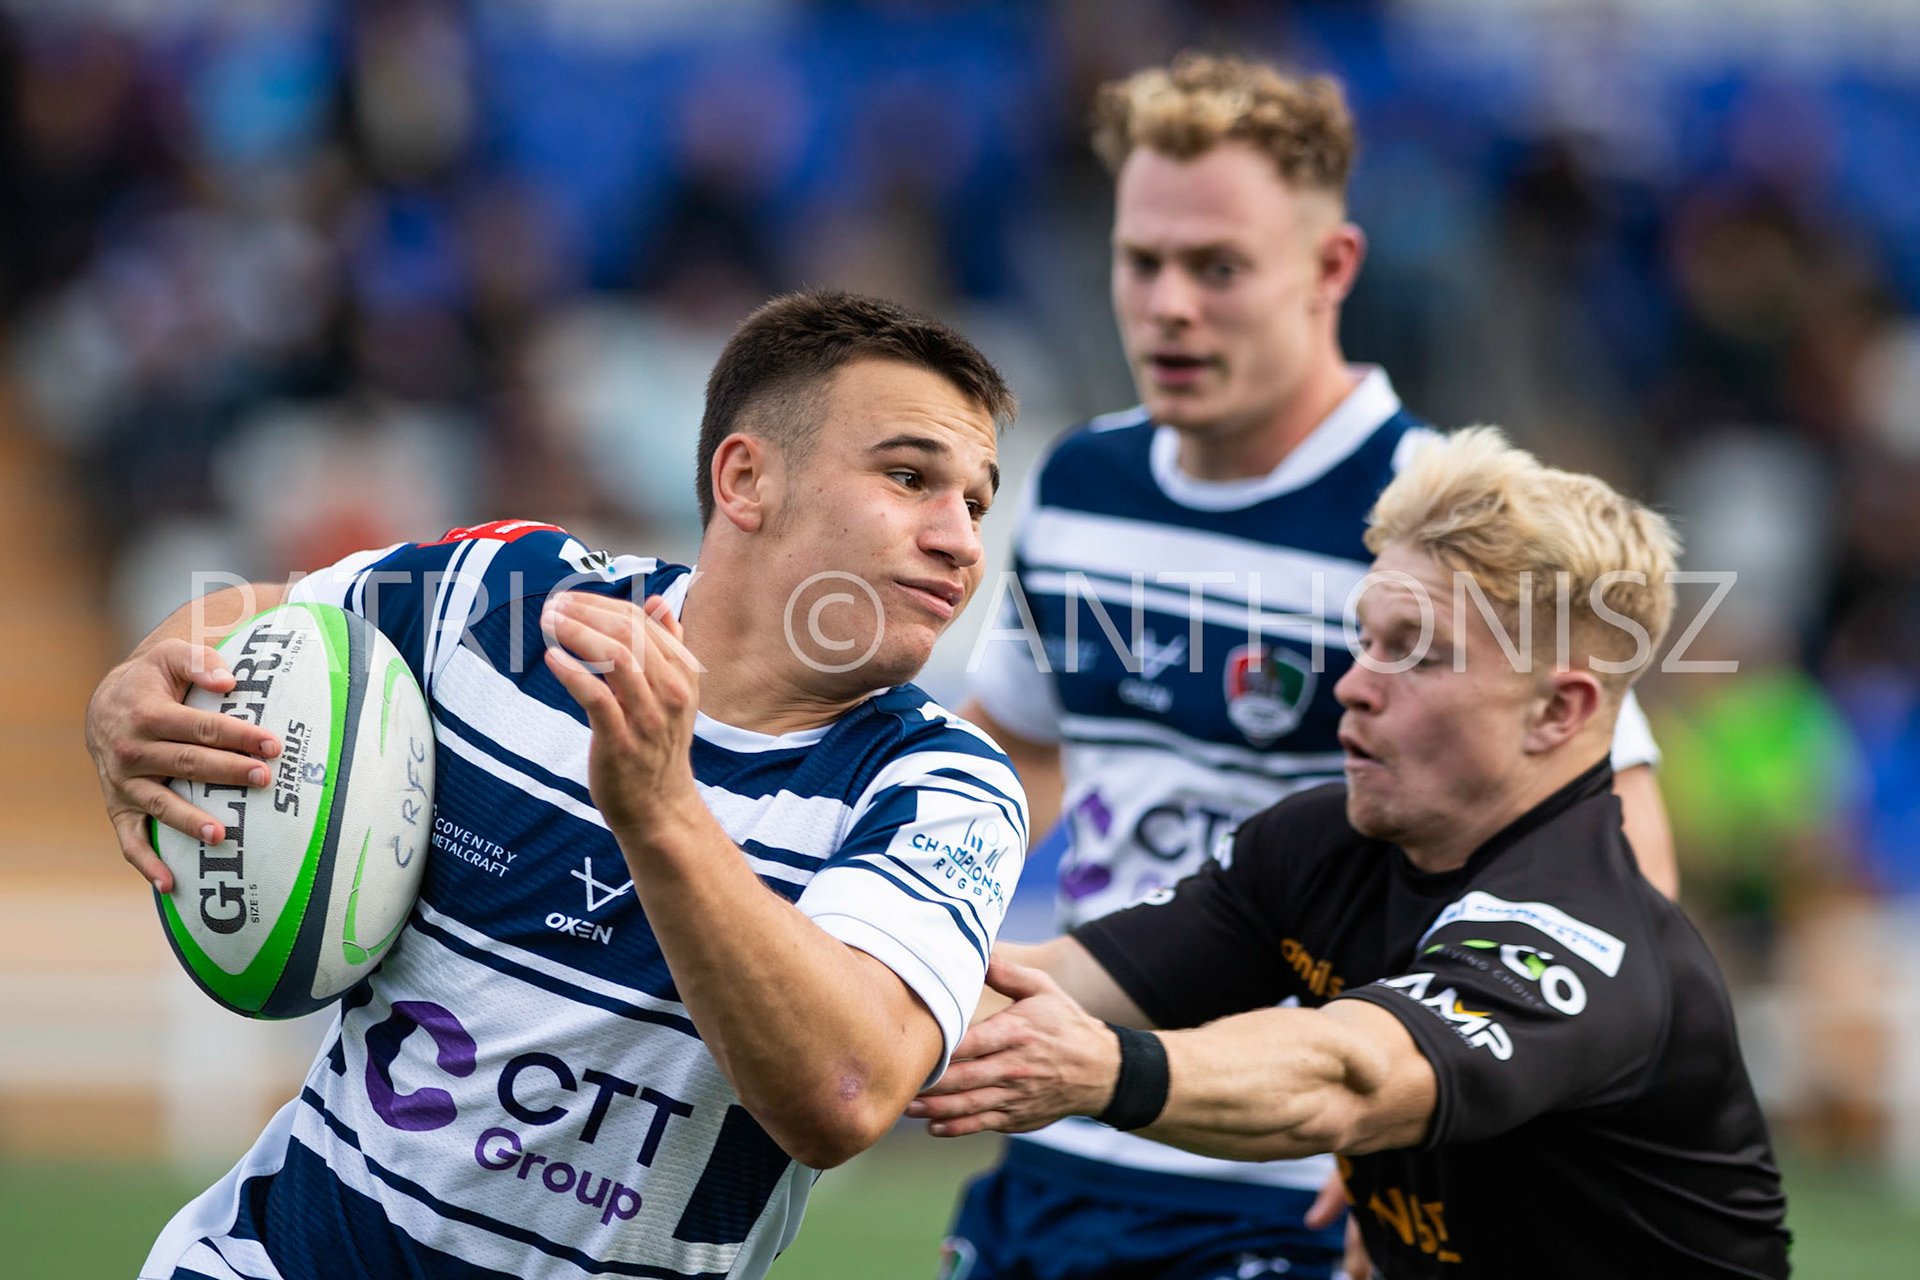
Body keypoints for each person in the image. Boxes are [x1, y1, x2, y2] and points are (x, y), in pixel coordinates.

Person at [85, 291, 1030, 1280]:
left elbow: (843, 1092)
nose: (960, 538)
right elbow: (259, 619)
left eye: (974, 500)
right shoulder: (504, 594)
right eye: (910, 476)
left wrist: (660, 813)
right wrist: (139, 682)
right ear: (747, 477)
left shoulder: (940, 790)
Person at [949, 54, 1677, 1280]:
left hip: (1309, 1177)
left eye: (1218, 266)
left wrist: (1457, 1108)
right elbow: (1017, 744)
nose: (1169, 304)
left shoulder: (1452, 515)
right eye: (1143, 262)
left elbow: (1615, 856)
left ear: (1331, 267)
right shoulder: (1079, 485)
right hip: (1065, 1122)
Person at [916, 427, 1791, 1278]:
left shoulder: (1582, 930)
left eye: (1417, 654)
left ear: (1558, 712)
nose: (1352, 684)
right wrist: (852, 974)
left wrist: (1103, 1069)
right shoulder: (1321, 844)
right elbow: (1050, 983)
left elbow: (1347, 1077)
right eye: (1365, 639)